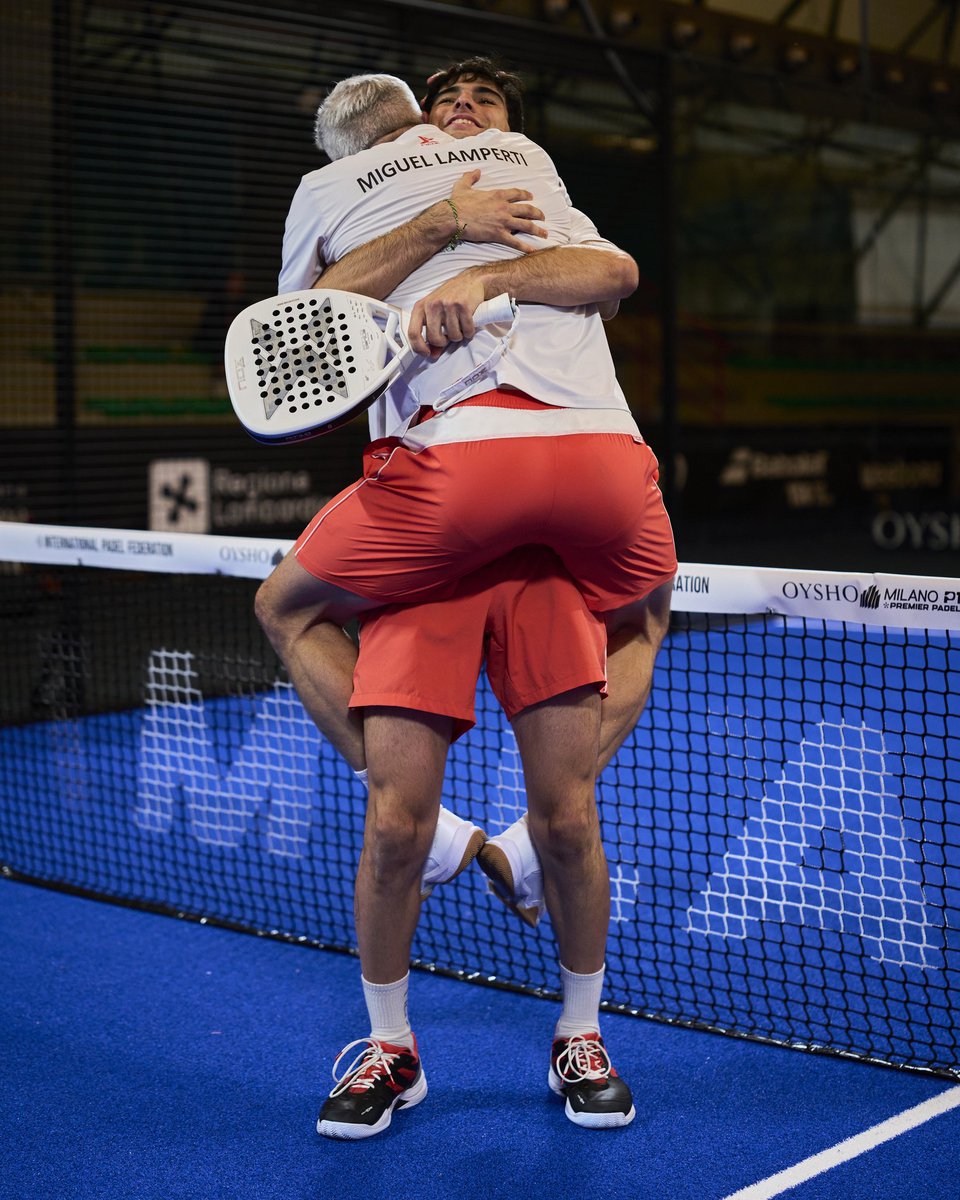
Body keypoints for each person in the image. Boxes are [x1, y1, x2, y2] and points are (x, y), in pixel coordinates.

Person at [256, 68, 677, 1137]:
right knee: (394, 825)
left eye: (485, 97)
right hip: (435, 486)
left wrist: (498, 279)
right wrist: (446, 224)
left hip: (546, 495)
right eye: (445, 96)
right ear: (405, 129)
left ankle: (579, 1032)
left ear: (513, 126)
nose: (463, 109)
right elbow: (307, 321)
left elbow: (612, 271)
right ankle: (392, 1049)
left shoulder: (536, 182)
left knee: (570, 817)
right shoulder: (364, 189)